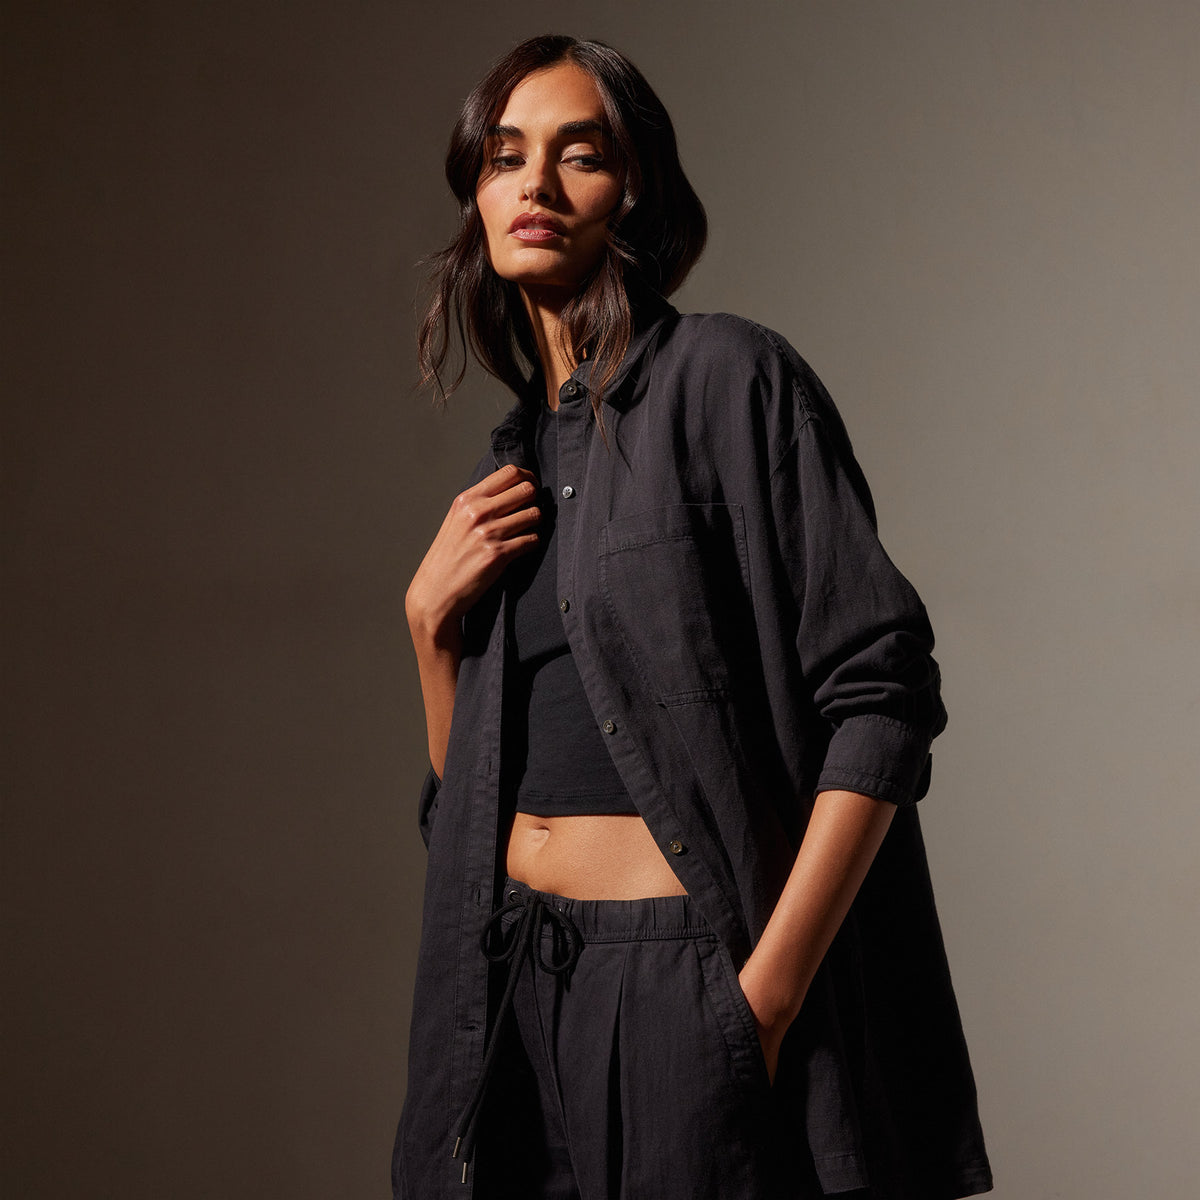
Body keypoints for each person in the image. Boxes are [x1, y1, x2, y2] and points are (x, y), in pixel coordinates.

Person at [394, 34, 992, 1200]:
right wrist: (428, 632)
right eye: (507, 156)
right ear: (478, 193)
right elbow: (472, 807)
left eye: (580, 154)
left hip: (678, 983)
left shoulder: (727, 379)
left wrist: (760, 1000)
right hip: (510, 984)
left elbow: (881, 696)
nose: (536, 183)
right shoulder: (509, 466)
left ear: (634, 193)